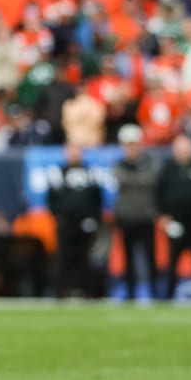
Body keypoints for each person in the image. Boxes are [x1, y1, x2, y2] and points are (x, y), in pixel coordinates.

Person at [155, 134, 191, 299]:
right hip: (175, 221)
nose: (183, 152)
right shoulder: (168, 168)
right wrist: (163, 215)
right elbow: (158, 192)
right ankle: (169, 294)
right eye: (180, 149)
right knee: (173, 260)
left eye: (186, 148)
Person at [48, 143, 103, 298]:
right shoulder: (58, 172)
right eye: (70, 152)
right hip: (66, 222)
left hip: (86, 222)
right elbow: (51, 197)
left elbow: (97, 197)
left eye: (76, 152)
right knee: (64, 257)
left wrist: (94, 218)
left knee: (85, 257)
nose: (73, 155)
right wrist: (58, 216)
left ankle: (85, 291)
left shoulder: (90, 172)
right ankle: (62, 291)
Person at [112, 124, 159, 300]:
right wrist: (139, 179)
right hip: (126, 217)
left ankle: (155, 292)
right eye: (128, 144)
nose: (131, 148)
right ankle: (130, 293)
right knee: (128, 259)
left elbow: (150, 178)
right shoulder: (119, 165)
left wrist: (134, 180)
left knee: (150, 257)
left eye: (134, 144)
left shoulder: (149, 162)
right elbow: (127, 178)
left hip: (146, 216)